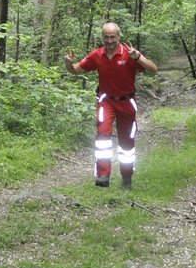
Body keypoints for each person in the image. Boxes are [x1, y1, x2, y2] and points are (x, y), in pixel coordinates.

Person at [65, 23, 157, 189]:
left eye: (112, 37)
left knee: (127, 142)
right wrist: (68, 64)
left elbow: (153, 69)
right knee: (102, 134)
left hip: (127, 101)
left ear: (118, 37)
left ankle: (127, 178)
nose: (109, 40)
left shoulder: (129, 54)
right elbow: (77, 70)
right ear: (102, 38)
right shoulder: (97, 55)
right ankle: (103, 175)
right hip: (106, 100)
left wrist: (138, 57)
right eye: (106, 37)